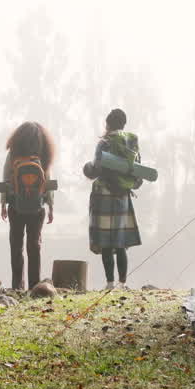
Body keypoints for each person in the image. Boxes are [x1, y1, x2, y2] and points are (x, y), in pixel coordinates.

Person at [82, 108, 141, 289]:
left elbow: (96, 169)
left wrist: (86, 168)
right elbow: (137, 172)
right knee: (120, 241)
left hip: (104, 195)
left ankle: (109, 283)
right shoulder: (131, 142)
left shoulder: (105, 142)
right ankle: (123, 282)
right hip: (122, 196)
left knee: (106, 242)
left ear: (108, 123)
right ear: (124, 124)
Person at [0, 121, 55, 290]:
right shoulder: (43, 155)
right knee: (34, 246)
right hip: (37, 208)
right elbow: (48, 183)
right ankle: (35, 285)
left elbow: (5, 178)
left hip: (16, 206)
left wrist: (3, 203)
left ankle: (17, 286)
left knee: (16, 246)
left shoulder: (13, 154)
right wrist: (51, 207)